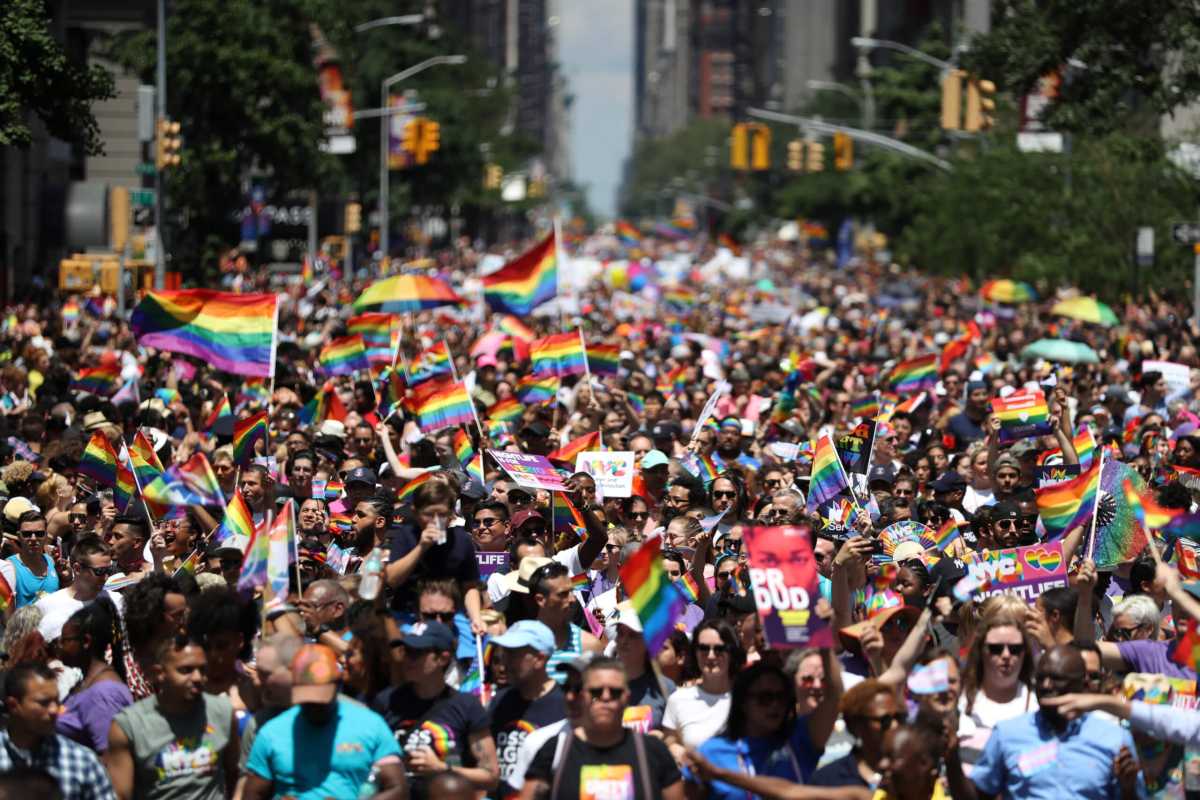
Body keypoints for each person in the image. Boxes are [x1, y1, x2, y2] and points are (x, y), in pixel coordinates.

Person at [953, 644, 1142, 800]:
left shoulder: (1115, 738)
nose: (1046, 686)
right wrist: (951, 757)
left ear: (1082, 684)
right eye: (1041, 678)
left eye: (1057, 679)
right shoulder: (1007, 733)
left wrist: (1128, 789)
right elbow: (979, 795)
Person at [242, 643, 406, 800]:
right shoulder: (272, 734)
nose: (314, 707)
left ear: (336, 686)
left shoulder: (370, 725)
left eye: (321, 700)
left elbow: (397, 789)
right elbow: (254, 794)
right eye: (307, 701)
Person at [520, 656, 683, 800]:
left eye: (615, 692)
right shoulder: (555, 750)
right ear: (583, 697)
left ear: (627, 697)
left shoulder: (653, 752)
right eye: (596, 692)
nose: (605, 697)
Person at [371, 620, 498, 798]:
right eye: (405, 651)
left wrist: (441, 769)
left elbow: (491, 775)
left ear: (443, 658)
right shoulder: (387, 701)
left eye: (416, 653)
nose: (407, 659)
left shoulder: (466, 706)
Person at [104, 635, 239, 800]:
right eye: (185, 670)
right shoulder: (128, 725)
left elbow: (236, 775)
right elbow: (121, 795)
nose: (197, 678)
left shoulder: (223, 713)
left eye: (202, 670)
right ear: (159, 674)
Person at [0, 664, 116, 799]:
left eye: (57, 701)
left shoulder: (82, 762)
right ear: (13, 705)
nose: (54, 710)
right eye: (44, 702)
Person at [487, 620, 567, 797]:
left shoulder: (565, 705)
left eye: (514, 654)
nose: (505, 663)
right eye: (505, 653)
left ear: (539, 659)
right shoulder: (500, 701)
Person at [55, 596, 133, 753]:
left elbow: (110, 758)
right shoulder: (87, 683)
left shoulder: (104, 695)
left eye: (65, 640)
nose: (59, 646)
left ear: (85, 641)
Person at [663, 619, 743, 758]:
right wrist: (681, 754)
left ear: (731, 652)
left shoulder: (746, 699)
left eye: (719, 649)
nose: (711, 656)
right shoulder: (678, 699)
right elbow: (670, 743)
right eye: (704, 649)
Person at [35, 536, 124, 644]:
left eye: (109, 570)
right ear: (77, 569)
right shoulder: (46, 606)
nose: (106, 577)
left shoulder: (118, 602)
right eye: (100, 571)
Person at [530, 561, 604, 680]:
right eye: (563, 594)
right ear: (540, 600)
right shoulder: (521, 645)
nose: (572, 599)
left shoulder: (589, 646)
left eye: (571, 591)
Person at [9, 510, 59, 608]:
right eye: (27, 534)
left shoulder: (51, 562)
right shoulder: (10, 567)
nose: (33, 538)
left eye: (39, 534)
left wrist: (67, 579)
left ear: (45, 536)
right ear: (19, 536)